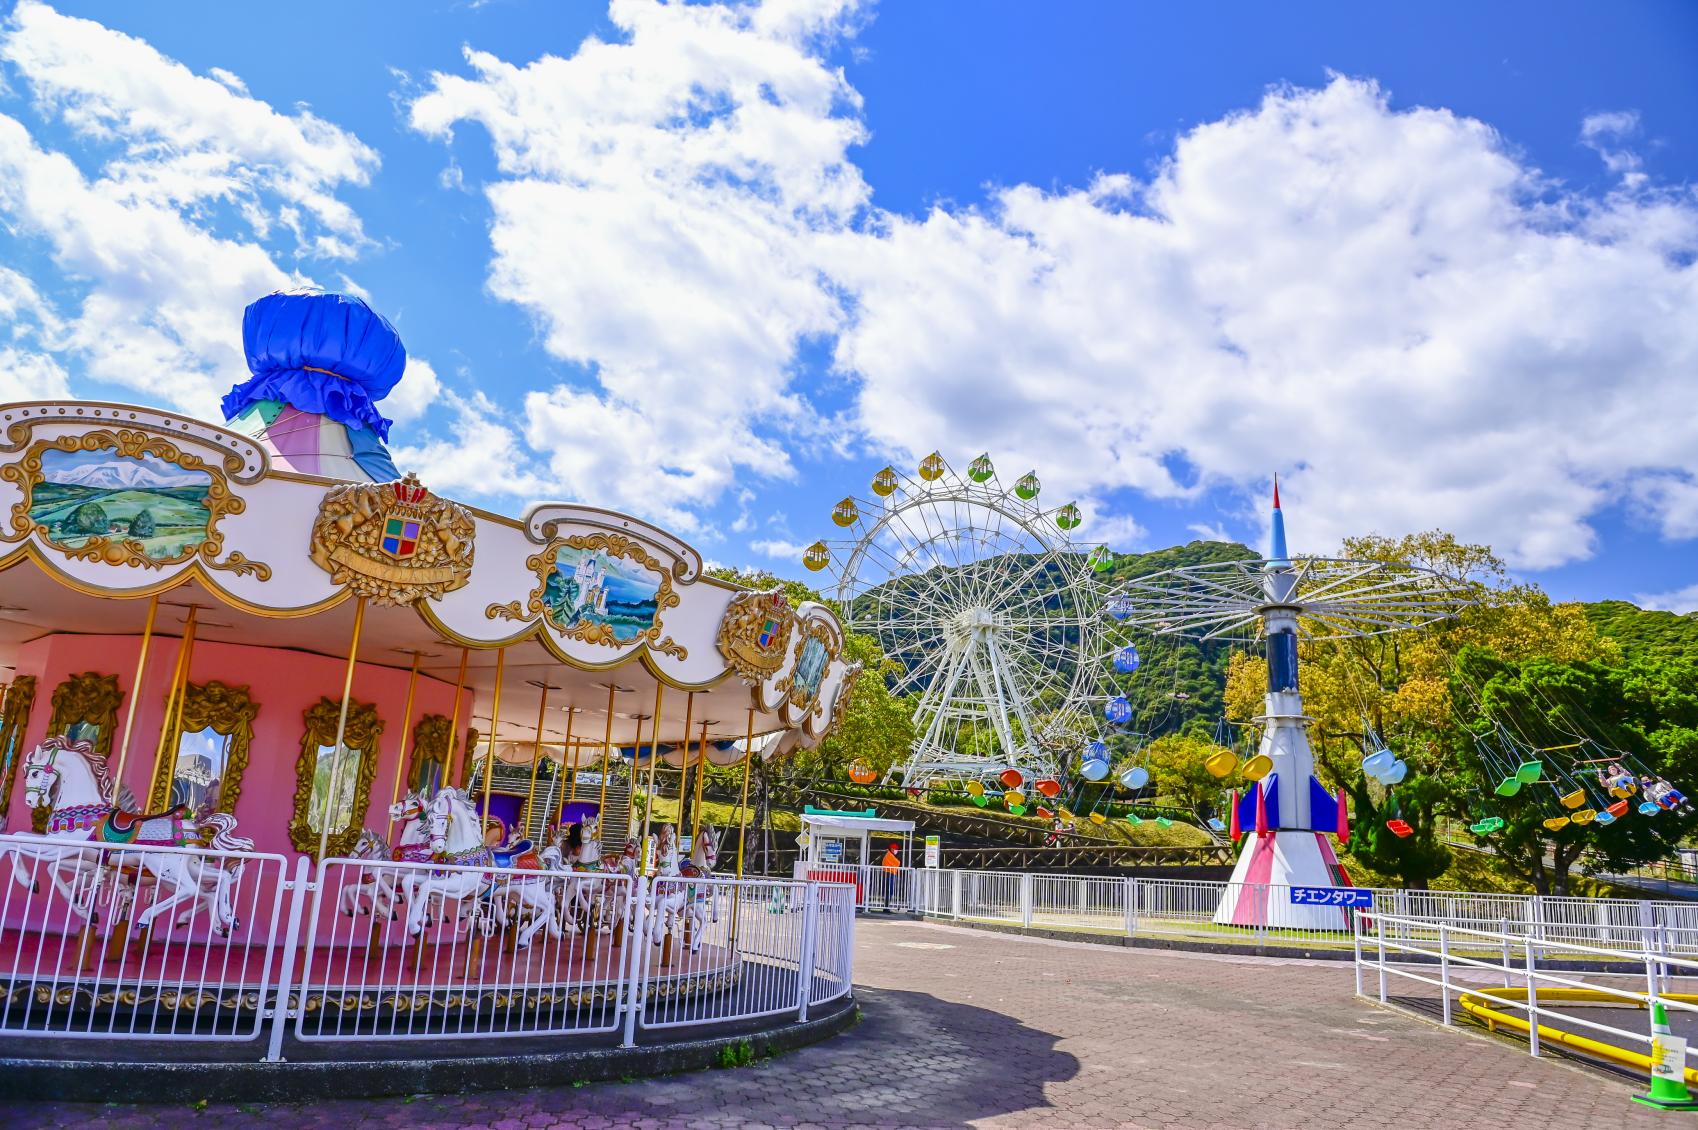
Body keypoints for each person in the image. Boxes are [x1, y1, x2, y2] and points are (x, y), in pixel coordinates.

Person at [879, 843, 901, 911]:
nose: (896, 851)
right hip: (889, 874)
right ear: (892, 849)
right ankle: (886, 907)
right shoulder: (889, 855)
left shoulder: (889, 855)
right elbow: (898, 863)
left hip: (889, 873)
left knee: (889, 891)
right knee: (889, 891)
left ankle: (886, 907)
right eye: (896, 849)